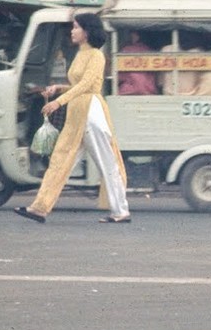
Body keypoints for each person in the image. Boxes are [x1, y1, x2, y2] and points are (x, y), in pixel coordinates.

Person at [14, 13, 130, 224]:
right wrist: (59, 88)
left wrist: (59, 101)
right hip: (77, 113)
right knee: (59, 160)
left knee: (107, 163)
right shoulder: (81, 53)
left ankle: (120, 211)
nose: (72, 31)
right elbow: (79, 84)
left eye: (76, 27)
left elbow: (87, 85)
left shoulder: (96, 55)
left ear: (86, 32)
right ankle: (39, 208)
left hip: (91, 112)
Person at [116, 30, 158, 96]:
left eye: (132, 35)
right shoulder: (150, 51)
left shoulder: (126, 50)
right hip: (149, 90)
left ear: (137, 36)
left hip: (129, 90)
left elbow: (119, 76)